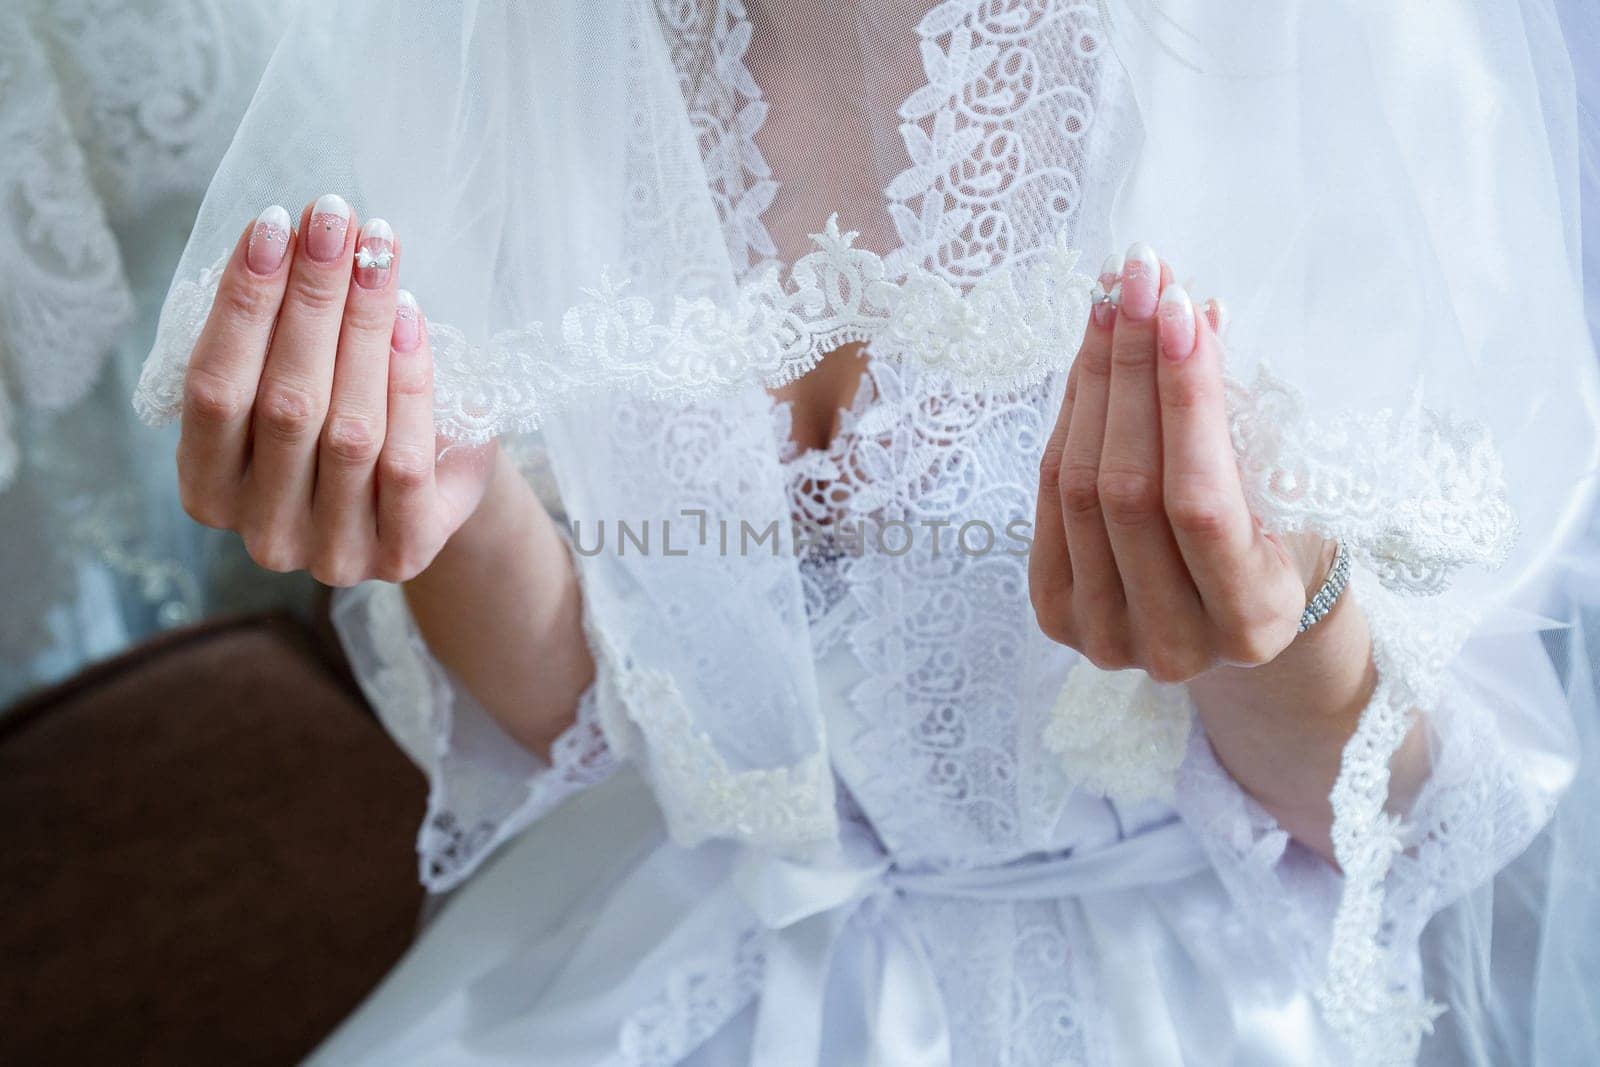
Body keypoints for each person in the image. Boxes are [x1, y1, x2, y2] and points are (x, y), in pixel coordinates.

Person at [135, 2, 1600, 1062]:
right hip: (682, 946)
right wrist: (446, 514)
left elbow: (1412, 819)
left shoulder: (1326, 46)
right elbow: (592, 714)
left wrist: (1264, 624)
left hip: (1168, 999)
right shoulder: (541, 34)